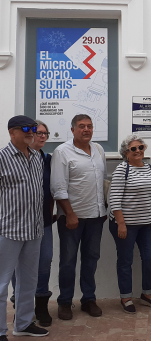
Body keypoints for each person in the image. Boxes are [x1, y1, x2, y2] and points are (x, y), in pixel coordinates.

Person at [50, 114, 107, 320]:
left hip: (96, 217)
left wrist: (104, 208)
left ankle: (88, 299)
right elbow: (58, 187)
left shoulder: (98, 150)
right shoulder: (62, 152)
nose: (86, 130)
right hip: (72, 219)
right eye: (81, 126)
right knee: (68, 261)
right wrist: (70, 214)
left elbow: (103, 181)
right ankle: (65, 301)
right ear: (72, 130)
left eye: (89, 126)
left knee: (91, 259)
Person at [0, 115, 48, 337]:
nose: (31, 132)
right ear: (12, 132)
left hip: (34, 229)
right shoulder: (2, 158)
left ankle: (23, 324)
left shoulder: (37, 157)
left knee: (29, 282)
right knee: (1, 285)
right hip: (8, 230)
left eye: (34, 129)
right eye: (26, 128)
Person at [108, 135, 151, 314]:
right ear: (126, 153)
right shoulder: (121, 170)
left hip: (147, 224)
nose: (138, 150)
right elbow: (114, 200)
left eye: (141, 147)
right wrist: (121, 224)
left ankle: (147, 294)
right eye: (134, 149)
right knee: (125, 261)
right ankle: (126, 297)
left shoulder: (148, 168)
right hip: (125, 225)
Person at [11, 120, 55, 327]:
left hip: (42, 222)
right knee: (15, 269)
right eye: (38, 132)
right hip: (14, 225)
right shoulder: (10, 158)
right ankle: (19, 308)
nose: (42, 136)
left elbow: (52, 189)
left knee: (43, 263)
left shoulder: (46, 160)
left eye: (45, 133)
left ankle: (40, 307)